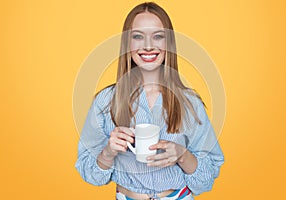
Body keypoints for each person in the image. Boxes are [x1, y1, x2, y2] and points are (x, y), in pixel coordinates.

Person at [75, 2, 224, 200]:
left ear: (168, 43)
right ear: (127, 44)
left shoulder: (190, 103)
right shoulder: (105, 101)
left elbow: (206, 179)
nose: (147, 45)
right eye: (138, 36)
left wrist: (182, 155)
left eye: (158, 36)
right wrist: (108, 152)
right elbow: (90, 174)